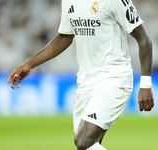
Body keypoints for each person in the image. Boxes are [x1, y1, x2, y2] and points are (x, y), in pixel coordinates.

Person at [8, 0, 154, 149]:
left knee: (84, 142)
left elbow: (144, 39)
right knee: (89, 146)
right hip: (85, 84)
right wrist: (30, 64)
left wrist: (145, 85)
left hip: (114, 79)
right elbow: (64, 37)